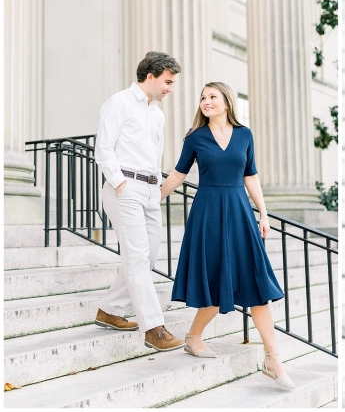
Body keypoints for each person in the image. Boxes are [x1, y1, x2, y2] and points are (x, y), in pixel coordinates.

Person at [160, 82, 293, 389]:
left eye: (212, 97)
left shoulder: (245, 135)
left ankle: (273, 358)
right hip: (207, 214)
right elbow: (179, 173)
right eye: (203, 98)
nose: (206, 101)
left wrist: (263, 212)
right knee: (214, 280)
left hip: (238, 212)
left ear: (226, 102)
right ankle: (194, 337)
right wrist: (156, 198)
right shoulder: (196, 138)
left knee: (258, 284)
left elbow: (250, 175)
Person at [94, 51, 185, 352]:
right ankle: (154, 329)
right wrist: (119, 183)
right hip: (125, 188)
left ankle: (109, 309)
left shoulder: (157, 113)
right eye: (168, 81)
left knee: (148, 258)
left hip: (149, 190)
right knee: (136, 257)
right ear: (151, 76)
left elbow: (155, 155)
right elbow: (104, 148)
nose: (170, 88)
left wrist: (156, 188)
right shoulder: (118, 102)